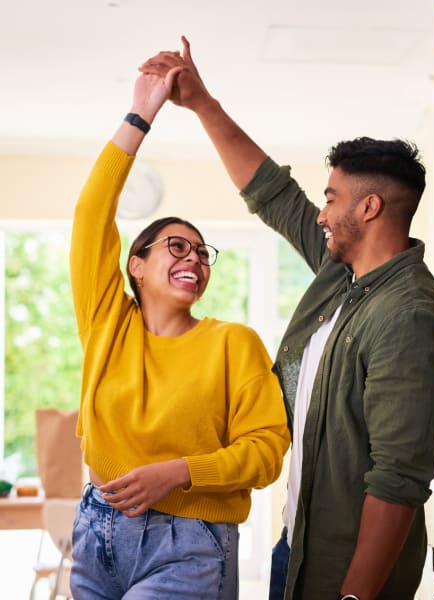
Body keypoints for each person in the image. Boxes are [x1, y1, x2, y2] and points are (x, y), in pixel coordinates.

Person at [139, 38, 434, 600]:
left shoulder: (406, 317)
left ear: (368, 208)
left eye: (332, 198)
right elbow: (273, 194)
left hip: (346, 573)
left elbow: (399, 482)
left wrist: (355, 597)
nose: (321, 212)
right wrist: (201, 102)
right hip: (299, 545)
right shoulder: (345, 273)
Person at [68, 56, 290, 600]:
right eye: (176, 245)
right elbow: (91, 216)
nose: (194, 257)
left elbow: (266, 449)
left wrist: (179, 472)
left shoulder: (232, 343)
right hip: (96, 531)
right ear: (136, 266)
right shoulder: (107, 326)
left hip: (189, 543)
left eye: (201, 251)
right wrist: (141, 114)